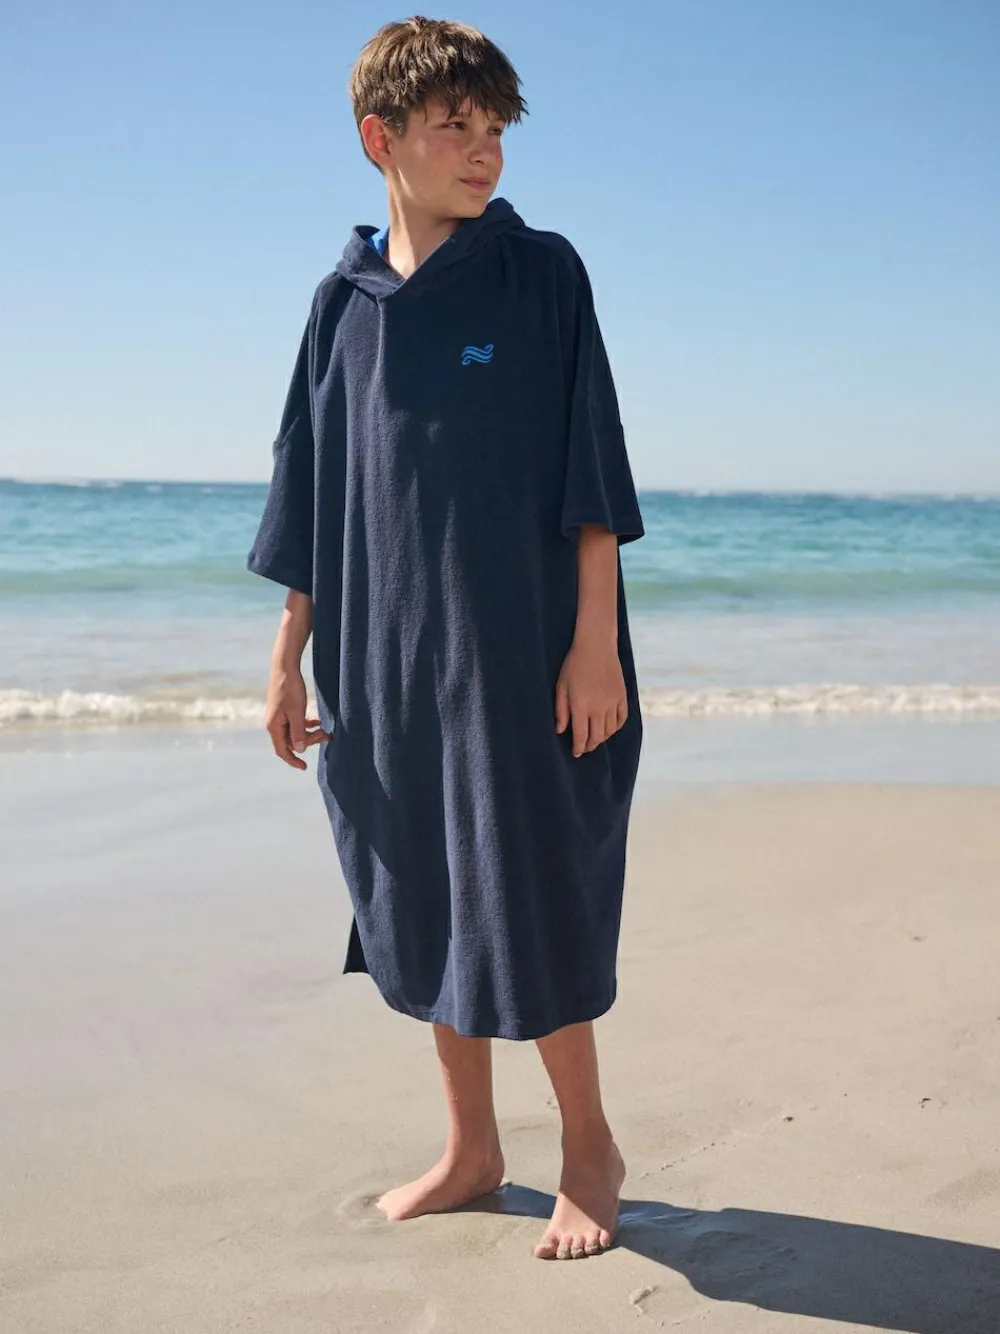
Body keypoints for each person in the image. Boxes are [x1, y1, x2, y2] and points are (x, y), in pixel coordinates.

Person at [248, 16, 645, 1261]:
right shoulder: (341, 305)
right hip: (381, 657)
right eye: (453, 127)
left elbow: (592, 462)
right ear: (382, 140)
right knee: (422, 882)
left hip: (521, 645)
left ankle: (589, 1145)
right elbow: (309, 487)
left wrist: (595, 643)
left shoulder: (541, 274)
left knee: (529, 882)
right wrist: (287, 653)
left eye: (495, 130)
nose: (484, 152)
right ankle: (473, 1147)